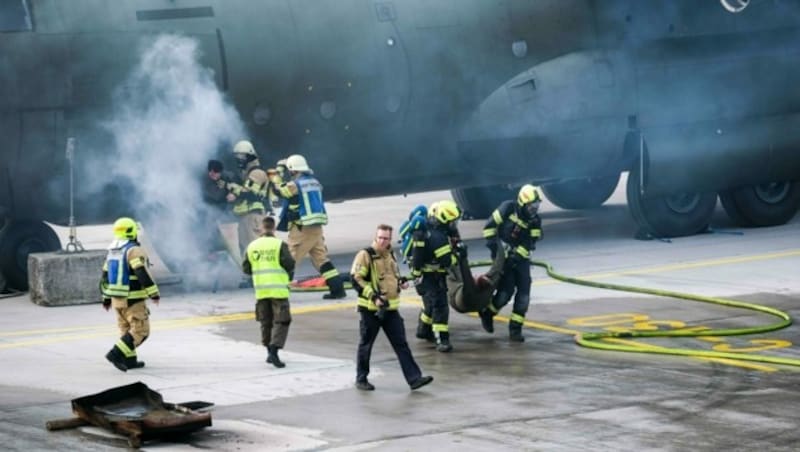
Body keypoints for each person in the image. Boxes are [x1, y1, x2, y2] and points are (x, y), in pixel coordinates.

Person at [350, 224, 434, 391]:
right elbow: (356, 279)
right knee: (366, 344)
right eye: (380, 237)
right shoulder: (365, 255)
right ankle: (361, 378)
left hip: (390, 310)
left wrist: (400, 281)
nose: (382, 241)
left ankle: (414, 379)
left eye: (386, 238)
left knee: (401, 344)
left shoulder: (390, 255)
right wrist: (374, 297)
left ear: (390, 239)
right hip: (370, 310)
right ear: (376, 237)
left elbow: (392, 276)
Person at [268, 154, 347, 299]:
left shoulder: (296, 185)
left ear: (293, 170)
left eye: (289, 170)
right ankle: (338, 289)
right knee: (322, 260)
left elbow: (279, 190)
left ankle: (277, 293)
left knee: (290, 259)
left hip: (302, 228)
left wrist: (277, 172)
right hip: (316, 227)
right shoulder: (314, 182)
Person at [479, 184, 543, 342]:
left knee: (524, 295)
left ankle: (515, 329)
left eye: (536, 205)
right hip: (502, 256)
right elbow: (489, 227)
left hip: (521, 259)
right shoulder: (508, 208)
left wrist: (517, 256)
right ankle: (488, 314)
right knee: (505, 293)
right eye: (531, 206)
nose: (534, 209)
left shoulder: (535, 220)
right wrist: (496, 251)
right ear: (522, 203)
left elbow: (531, 242)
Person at [100, 217, 160, 372]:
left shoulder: (112, 251)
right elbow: (141, 272)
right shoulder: (134, 250)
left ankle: (130, 361)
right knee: (140, 331)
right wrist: (153, 293)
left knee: (126, 330)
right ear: (132, 231)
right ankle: (115, 354)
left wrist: (106, 298)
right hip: (133, 298)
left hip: (116, 299)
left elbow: (105, 276)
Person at [243, 216, 296, 368]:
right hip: (278, 290)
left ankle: (268, 352)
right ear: (273, 228)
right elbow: (290, 264)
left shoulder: (252, 246)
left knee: (266, 322)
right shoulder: (279, 244)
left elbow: (246, 268)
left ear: (261, 227)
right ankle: (274, 350)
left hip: (261, 291)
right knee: (282, 321)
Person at [411, 200, 461, 352]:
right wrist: (458, 254)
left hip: (424, 276)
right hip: (432, 277)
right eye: (452, 222)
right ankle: (442, 339)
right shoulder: (438, 238)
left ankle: (423, 330)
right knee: (440, 307)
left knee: (430, 305)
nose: (454, 226)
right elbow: (447, 261)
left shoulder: (431, 232)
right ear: (444, 220)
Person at [230, 140, 271, 257]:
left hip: (254, 217)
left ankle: (261, 274)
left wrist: (233, 189)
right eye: (237, 156)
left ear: (249, 156)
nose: (239, 159)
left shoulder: (257, 172)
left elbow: (250, 192)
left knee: (256, 250)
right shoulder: (247, 174)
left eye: (241, 156)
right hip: (245, 217)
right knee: (245, 251)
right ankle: (250, 274)